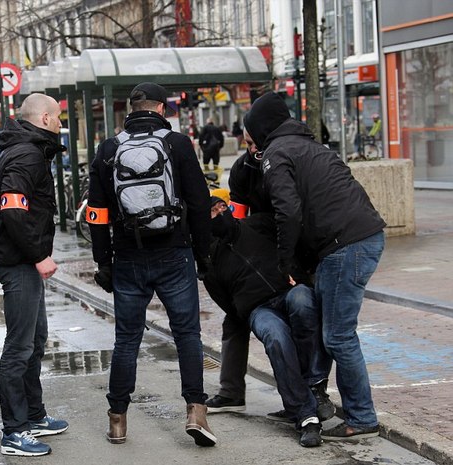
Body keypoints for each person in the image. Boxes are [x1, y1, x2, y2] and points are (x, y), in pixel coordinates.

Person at [243, 91, 386, 441]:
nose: (248, 144)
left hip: (345, 246)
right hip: (357, 238)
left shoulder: (276, 154)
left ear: (260, 130)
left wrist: (285, 260)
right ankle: (313, 396)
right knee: (329, 328)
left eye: (249, 136)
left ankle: (362, 417)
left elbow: (287, 211)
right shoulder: (309, 145)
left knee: (338, 335)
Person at [86, 82, 216, 448]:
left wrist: (103, 261)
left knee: (127, 339)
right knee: (187, 334)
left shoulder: (109, 149)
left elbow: (97, 213)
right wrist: (203, 256)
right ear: (161, 108)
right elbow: (200, 201)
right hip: (174, 253)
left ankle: (117, 420)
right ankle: (195, 411)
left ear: (131, 109)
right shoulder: (177, 144)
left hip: (128, 256)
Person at [203, 208, 332, 447]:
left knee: (304, 300)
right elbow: (227, 305)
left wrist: (298, 272)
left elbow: (292, 239)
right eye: (211, 212)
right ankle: (306, 416)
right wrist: (245, 308)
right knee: (276, 337)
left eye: (221, 207)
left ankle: (314, 386)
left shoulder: (257, 224)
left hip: (289, 290)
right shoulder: (210, 260)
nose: (219, 213)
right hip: (258, 309)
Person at [0, 93, 69, 457]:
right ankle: (14, 432)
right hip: (18, 260)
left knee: (36, 339)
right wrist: (39, 255)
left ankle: (34, 416)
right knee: (19, 346)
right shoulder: (27, 154)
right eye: (59, 118)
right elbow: (13, 210)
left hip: (21, 257)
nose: (61, 124)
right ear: (46, 118)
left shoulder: (22, 148)